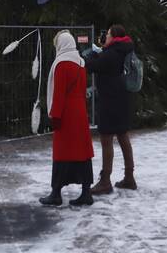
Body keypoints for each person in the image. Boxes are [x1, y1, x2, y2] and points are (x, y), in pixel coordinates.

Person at [39, 31, 95, 207]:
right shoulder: (80, 63)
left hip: (66, 113)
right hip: (80, 112)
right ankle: (86, 192)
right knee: (82, 152)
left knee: (62, 153)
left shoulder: (62, 64)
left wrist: (54, 115)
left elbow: (59, 93)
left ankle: (56, 193)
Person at [84, 24, 137, 194]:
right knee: (122, 136)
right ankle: (129, 177)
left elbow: (92, 66)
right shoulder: (121, 50)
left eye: (107, 34)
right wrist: (101, 50)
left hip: (110, 100)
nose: (105, 37)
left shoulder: (112, 53)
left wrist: (92, 53)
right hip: (121, 98)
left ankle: (105, 180)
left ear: (114, 36)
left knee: (106, 138)